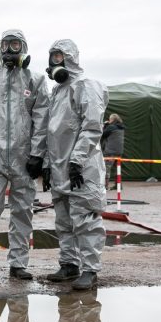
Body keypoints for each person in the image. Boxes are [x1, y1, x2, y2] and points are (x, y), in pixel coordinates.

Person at [0, 29, 49, 282]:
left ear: (23, 47)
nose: (10, 50)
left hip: (24, 159)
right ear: (0, 48)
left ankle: (18, 263)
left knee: (22, 211)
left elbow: (42, 118)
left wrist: (38, 154)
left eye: (15, 44)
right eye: (6, 44)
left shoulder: (35, 80)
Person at [29, 39, 108, 291]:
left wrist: (77, 160)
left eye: (59, 57)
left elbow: (92, 126)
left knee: (85, 219)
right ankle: (69, 264)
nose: (54, 62)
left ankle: (90, 270)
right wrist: (49, 165)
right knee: (63, 221)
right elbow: (54, 133)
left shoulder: (86, 86)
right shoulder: (58, 92)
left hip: (82, 168)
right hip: (62, 167)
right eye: (52, 57)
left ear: (71, 58)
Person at [101, 114, 125, 190]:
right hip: (119, 151)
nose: (109, 120)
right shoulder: (121, 127)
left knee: (106, 169)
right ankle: (118, 185)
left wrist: (105, 125)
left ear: (113, 120)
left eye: (110, 119)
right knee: (117, 168)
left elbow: (103, 134)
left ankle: (105, 187)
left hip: (110, 151)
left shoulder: (111, 127)